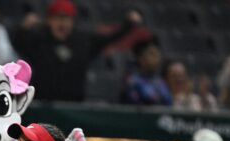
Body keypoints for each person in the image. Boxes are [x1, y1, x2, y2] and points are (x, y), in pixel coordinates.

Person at [12, 0, 142, 102]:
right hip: (44, 106)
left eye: (66, 18)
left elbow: (109, 38)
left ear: (73, 21)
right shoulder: (38, 39)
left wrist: (129, 24)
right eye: (57, 18)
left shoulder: (83, 41)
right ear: (48, 20)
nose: (62, 23)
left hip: (74, 106)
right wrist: (23, 28)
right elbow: (17, 43)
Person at [122, 37, 172, 106]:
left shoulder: (160, 80)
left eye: (158, 54)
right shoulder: (133, 81)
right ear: (141, 58)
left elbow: (168, 101)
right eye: (152, 54)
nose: (157, 57)